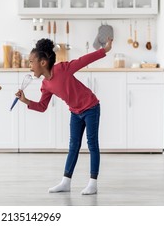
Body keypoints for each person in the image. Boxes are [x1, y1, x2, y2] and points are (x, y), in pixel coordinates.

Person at [15, 37, 113, 195]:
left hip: (91, 107)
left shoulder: (63, 69)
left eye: (31, 61)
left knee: (92, 144)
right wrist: (26, 100)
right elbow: (42, 107)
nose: (30, 66)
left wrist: (105, 50)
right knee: (73, 145)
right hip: (75, 112)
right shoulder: (45, 85)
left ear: (43, 62)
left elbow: (84, 60)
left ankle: (93, 183)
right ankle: (65, 182)